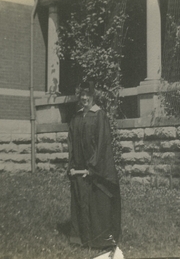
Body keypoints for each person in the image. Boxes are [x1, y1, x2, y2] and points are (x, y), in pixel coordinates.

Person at [67, 81, 121, 250]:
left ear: (93, 96)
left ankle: (100, 240)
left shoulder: (99, 115)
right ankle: (80, 238)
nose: (84, 98)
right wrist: (72, 164)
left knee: (98, 203)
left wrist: (92, 168)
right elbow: (71, 143)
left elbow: (102, 143)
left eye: (87, 95)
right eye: (81, 95)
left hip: (95, 170)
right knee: (80, 201)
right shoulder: (77, 117)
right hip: (79, 168)